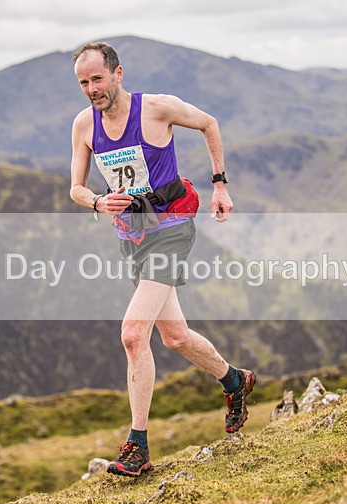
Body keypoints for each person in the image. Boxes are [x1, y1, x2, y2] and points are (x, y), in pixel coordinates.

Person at [69, 42, 256, 477]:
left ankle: (138, 447)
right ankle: (234, 381)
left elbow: (209, 124)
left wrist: (221, 186)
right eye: (83, 83)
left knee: (134, 335)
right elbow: (75, 188)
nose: (92, 89)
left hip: (172, 228)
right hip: (133, 236)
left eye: (98, 78)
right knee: (174, 337)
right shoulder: (83, 125)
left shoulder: (156, 108)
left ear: (118, 74)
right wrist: (98, 202)